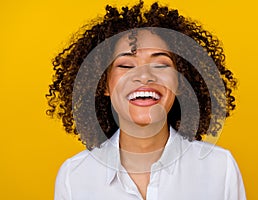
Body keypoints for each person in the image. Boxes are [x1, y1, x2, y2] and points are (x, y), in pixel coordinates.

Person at [46, 1, 246, 199]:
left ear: (180, 81)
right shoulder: (74, 177)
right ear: (104, 85)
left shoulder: (221, 168)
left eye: (160, 64)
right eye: (125, 65)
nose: (144, 76)